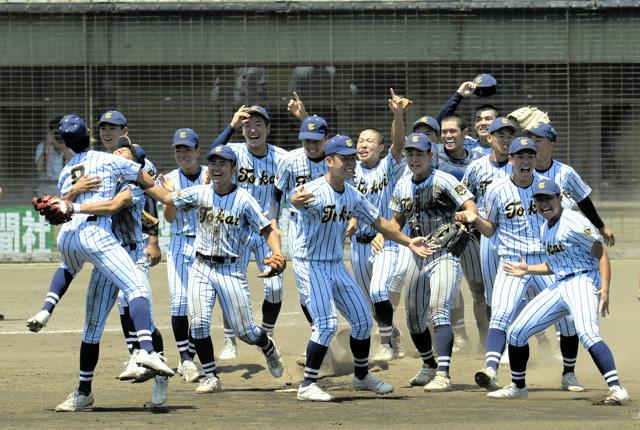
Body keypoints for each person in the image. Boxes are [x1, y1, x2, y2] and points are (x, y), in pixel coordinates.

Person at [27, 115, 173, 412]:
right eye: (106, 132)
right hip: (104, 252)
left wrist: (73, 200)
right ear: (94, 134)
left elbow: (115, 204)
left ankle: (152, 359)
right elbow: (73, 202)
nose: (118, 150)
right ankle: (84, 390)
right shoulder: (96, 170)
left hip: (130, 252)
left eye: (125, 149)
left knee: (135, 307)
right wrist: (74, 192)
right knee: (93, 325)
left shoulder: (128, 180)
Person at [289, 134, 433, 402]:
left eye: (351, 158)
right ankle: (307, 384)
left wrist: (408, 241)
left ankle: (361, 376)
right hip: (311, 265)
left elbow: (381, 224)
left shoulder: (353, 194)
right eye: (344, 158)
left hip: (335, 264)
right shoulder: (313, 190)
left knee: (363, 321)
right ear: (329, 161)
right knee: (326, 324)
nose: (350, 162)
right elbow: (295, 200)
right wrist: (296, 200)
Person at [146, 144, 286, 394]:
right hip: (201, 266)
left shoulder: (244, 199)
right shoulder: (200, 193)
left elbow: (266, 229)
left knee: (246, 331)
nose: (217, 167)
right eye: (213, 162)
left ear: (234, 169)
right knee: (198, 324)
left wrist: (277, 253)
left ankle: (267, 347)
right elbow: (167, 198)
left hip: (230, 270)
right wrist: (140, 177)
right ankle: (210, 375)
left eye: (223, 163)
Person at [456, 137, 582, 393]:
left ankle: (569, 373)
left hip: (547, 262)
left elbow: (566, 214)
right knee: (501, 313)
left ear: (536, 160)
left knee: (567, 318)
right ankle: (491, 369)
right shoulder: (496, 190)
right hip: (512, 261)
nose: (526, 161)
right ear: (511, 160)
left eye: (530, 156)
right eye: (520, 157)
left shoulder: (548, 187)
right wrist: (475, 219)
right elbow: (490, 231)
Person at [488, 178, 629, 404]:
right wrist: (528, 270)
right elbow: (555, 264)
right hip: (560, 283)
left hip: (583, 280)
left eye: (548, 198)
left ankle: (617, 388)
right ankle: (518, 386)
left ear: (559, 198)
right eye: (540, 199)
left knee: (587, 333)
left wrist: (605, 289)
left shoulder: (573, 222)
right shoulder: (546, 227)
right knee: (516, 332)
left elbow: (601, 254)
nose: (544, 203)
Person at [390, 132, 479, 392]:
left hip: (445, 253)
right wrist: (384, 234)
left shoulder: (444, 180)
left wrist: (468, 215)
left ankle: (444, 373)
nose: (414, 159)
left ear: (430, 156)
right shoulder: (402, 185)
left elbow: (469, 204)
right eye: (410, 154)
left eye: (420, 154)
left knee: (439, 310)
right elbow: (397, 222)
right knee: (414, 318)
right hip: (417, 254)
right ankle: (429, 365)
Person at [208, 104, 289, 359]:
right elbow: (212, 153)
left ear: (268, 128)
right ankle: (229, 339)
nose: (252, 129)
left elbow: (281, 191)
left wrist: (275, 218)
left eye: (258, 124)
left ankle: (268, 334)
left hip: (267, 228)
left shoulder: (281, 157)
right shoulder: (235, 153)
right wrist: (231, 126)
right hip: (237, 231)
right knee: (230, 284)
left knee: (275, 288)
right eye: (247, 125)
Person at [347, 88, 408, 362]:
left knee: (378, 291)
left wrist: (397, 114)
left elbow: (399, 143)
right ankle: (392, 334)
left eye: (369, 141)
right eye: (360, 140)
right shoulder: (350, 171)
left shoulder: (388, 167)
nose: (363, 144)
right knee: (369, 303)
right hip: (358, 245)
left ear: (380, 148)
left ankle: (385, 344)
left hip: (386, 241)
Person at [159, 128, 208, 382]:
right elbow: (168, 217)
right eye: (178, 149)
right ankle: (186, 360)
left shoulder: (211, 175)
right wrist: (168, 196)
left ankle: (189, 353)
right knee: (179, 302)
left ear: (198, 151)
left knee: (199, 309)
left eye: (187, 149)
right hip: (179, 243)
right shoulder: (169, 179)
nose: (183, 154)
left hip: (205, 246)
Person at [435, 114, 487, 353]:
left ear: (465, 134)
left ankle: (485, 338)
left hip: (471, 233)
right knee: (448, 289)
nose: (447, 136)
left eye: (452, 131)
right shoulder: (433, 154)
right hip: (441, 232)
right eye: (443, 132)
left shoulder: (478, 158)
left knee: (478, 288)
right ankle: (459, 336)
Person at [528, 122, 615, 246]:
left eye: (538, 140)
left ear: (551, 145)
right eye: (530, 140)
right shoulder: (523, 172)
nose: (533, 144)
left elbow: (584, 201)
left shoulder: (566, 172)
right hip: (530, 242)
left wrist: (601, 227)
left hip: (559, 243)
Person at [35, 116, 73, 195]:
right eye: (56, 133)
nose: (59, 136)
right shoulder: (43, 146)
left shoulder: (73, 146)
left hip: (68, 192)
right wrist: (47, 147)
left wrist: (64, 148)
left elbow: (78, 166)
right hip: (46, 193)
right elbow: (40, 169)